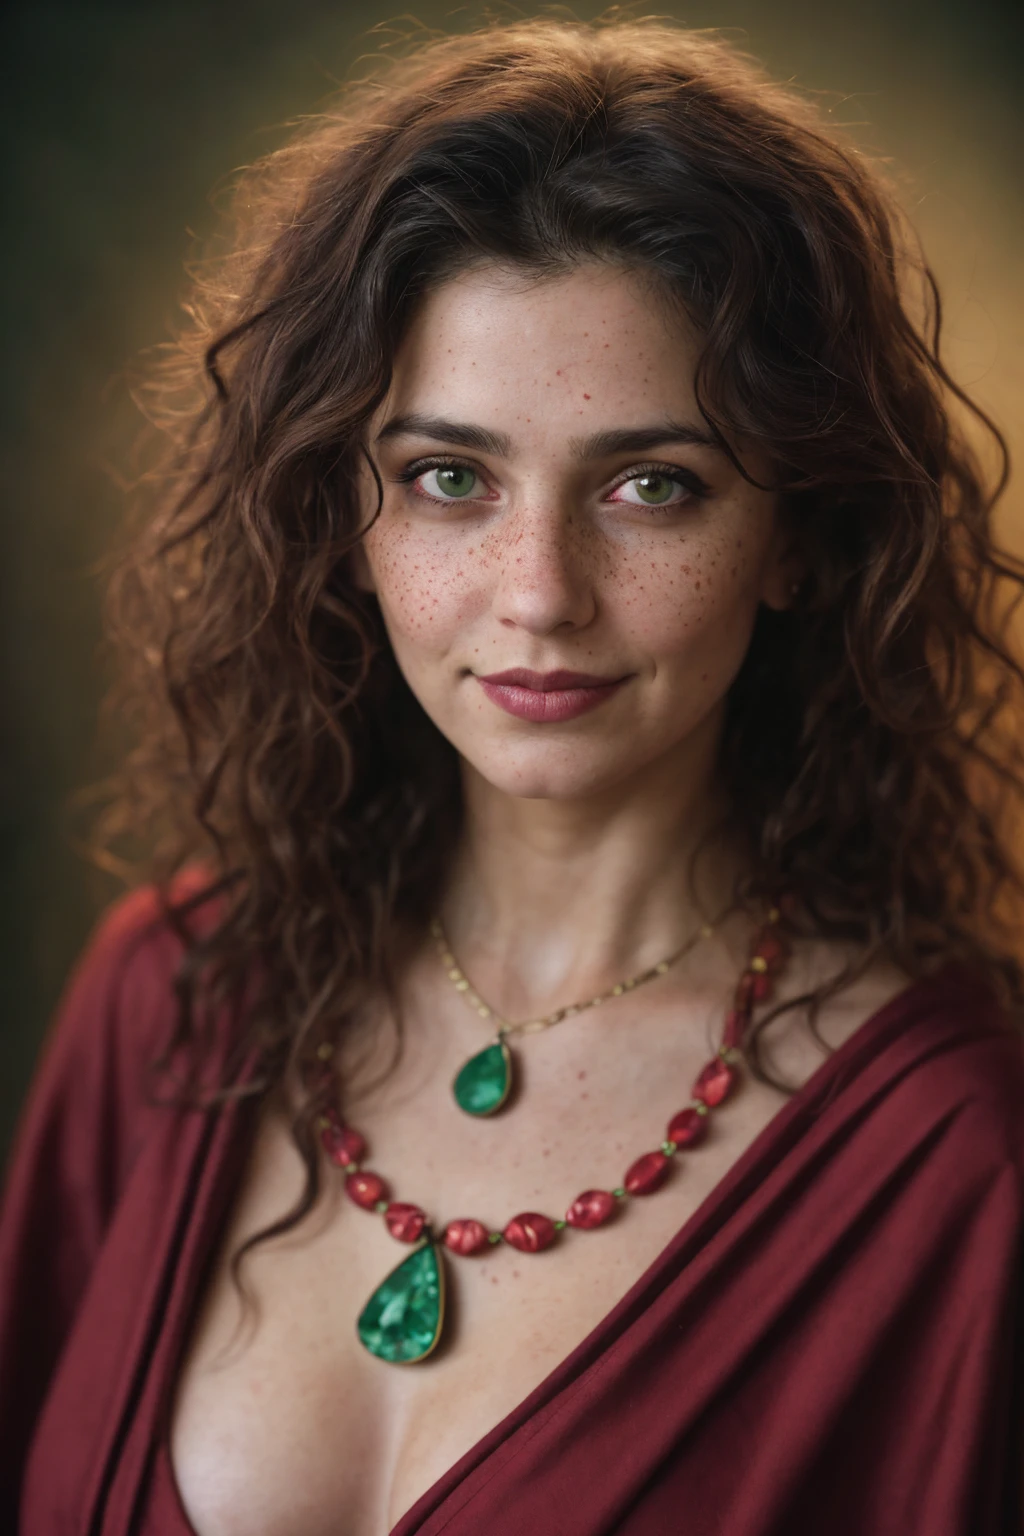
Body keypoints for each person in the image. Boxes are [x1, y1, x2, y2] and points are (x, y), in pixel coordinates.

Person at [2, 17, 1023, 1535]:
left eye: (649, 486)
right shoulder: (169, 1001)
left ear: (801, 536)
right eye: (448, 478)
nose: (537, 589)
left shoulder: (955, 1162)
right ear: (337, 516)